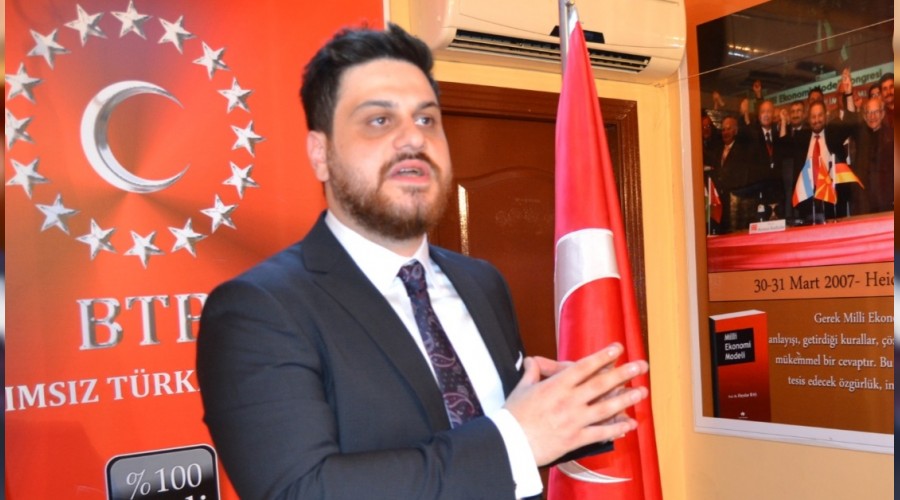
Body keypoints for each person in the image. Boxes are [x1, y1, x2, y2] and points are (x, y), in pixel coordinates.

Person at [196, 23, 649, 500]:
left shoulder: (482, 282)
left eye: (427, 119)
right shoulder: (258, 310)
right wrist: (516, 437)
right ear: (320, 154)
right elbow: (300, 491)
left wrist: (569, 415)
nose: (413, 139)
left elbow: (508, 449)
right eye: (379, 120)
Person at [853, 96, 893, 213]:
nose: (872, 116)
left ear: (882, 114)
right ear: (864, 116)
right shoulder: (860, 137)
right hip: (864, 203)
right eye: (869, 113)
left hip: (887, 201)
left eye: (876, 112)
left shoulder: (892, 138)